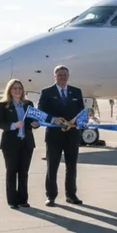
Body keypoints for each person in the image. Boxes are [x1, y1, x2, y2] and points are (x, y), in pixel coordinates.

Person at [38, 65, 85, 206]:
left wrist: (81, 122)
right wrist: (53, 119)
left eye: (65, 75)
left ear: (68, 76)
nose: (62, 77)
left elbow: (81, 111)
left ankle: (71, 194)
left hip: (72, 135)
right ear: (55, 76)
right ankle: (51, 195)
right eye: (59, 75)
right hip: (54, 136)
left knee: (72, 167)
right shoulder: (46, 92)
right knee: (52, 167)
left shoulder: (76, 92)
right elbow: (40, 112)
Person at [0, 79, 39, 209]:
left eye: (20, 88)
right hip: (10, 144)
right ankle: (12, 200)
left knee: (23, 172)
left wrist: (35, 124)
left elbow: (34, 120)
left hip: (26, 143)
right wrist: (13, 125)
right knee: (11, 171)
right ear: (10, 90)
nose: (17, 90)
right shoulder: (3, 105)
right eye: (14, 88)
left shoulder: (28, 104)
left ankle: (23, 200)